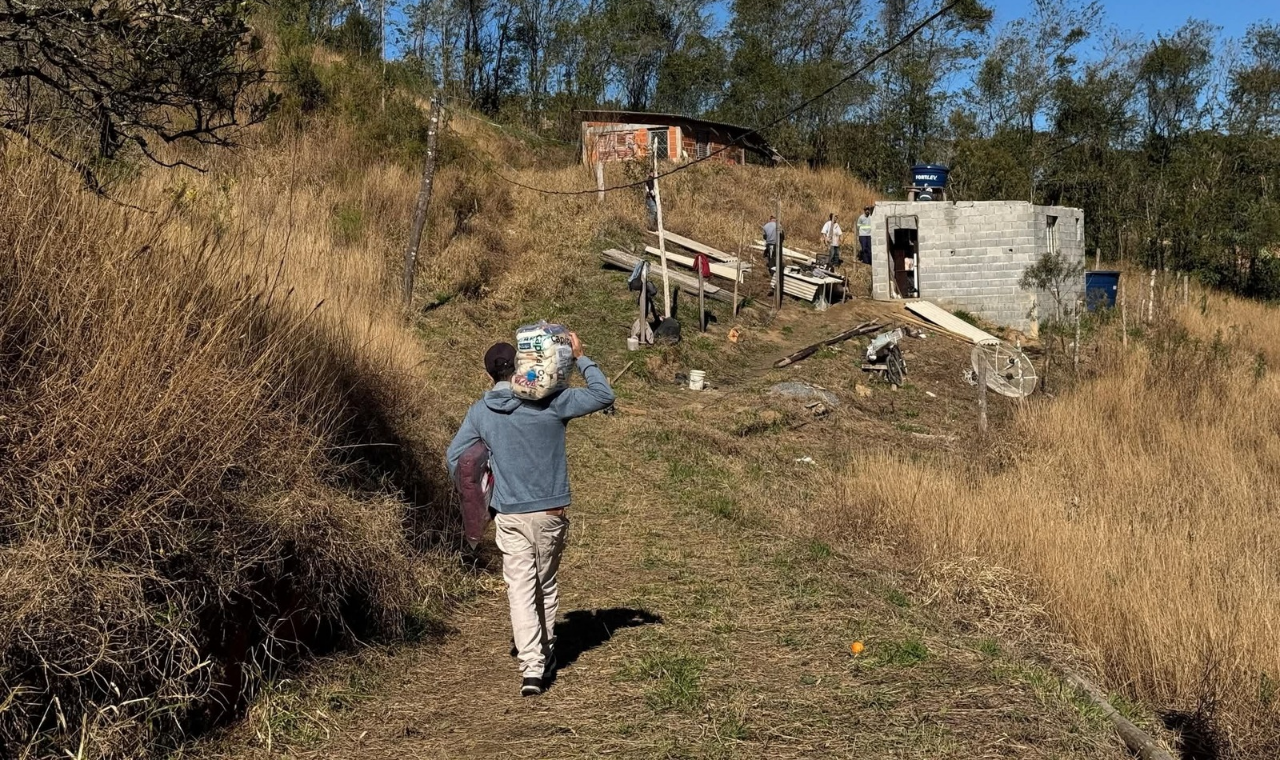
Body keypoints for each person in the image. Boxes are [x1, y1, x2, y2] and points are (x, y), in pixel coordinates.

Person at [446, 336, 615, 697]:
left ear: (490, 374)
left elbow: (455, 459)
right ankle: (548, 651)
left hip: (508, 513)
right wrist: (583, 358)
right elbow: (604, 395)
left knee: (520, 591)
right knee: (546, 584)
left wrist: (483, 490)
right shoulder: (553, 400)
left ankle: (532, 670)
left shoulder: (481, 411)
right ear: (523, 364)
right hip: (551, 511)